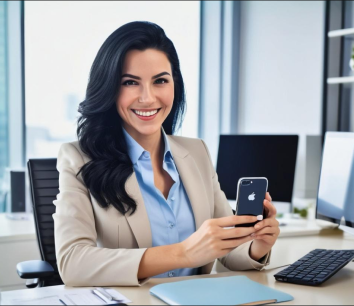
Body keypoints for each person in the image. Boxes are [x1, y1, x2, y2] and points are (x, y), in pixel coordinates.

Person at [53, 21, 280, 286]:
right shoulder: (78, 158)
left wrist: (257, 245)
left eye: (160, 80)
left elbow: (227, 250)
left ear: (175, 85)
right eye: (130, 82)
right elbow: (73, 263)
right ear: (109, 89)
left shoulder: (197, 152)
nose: (147, 98)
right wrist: (183, 253)